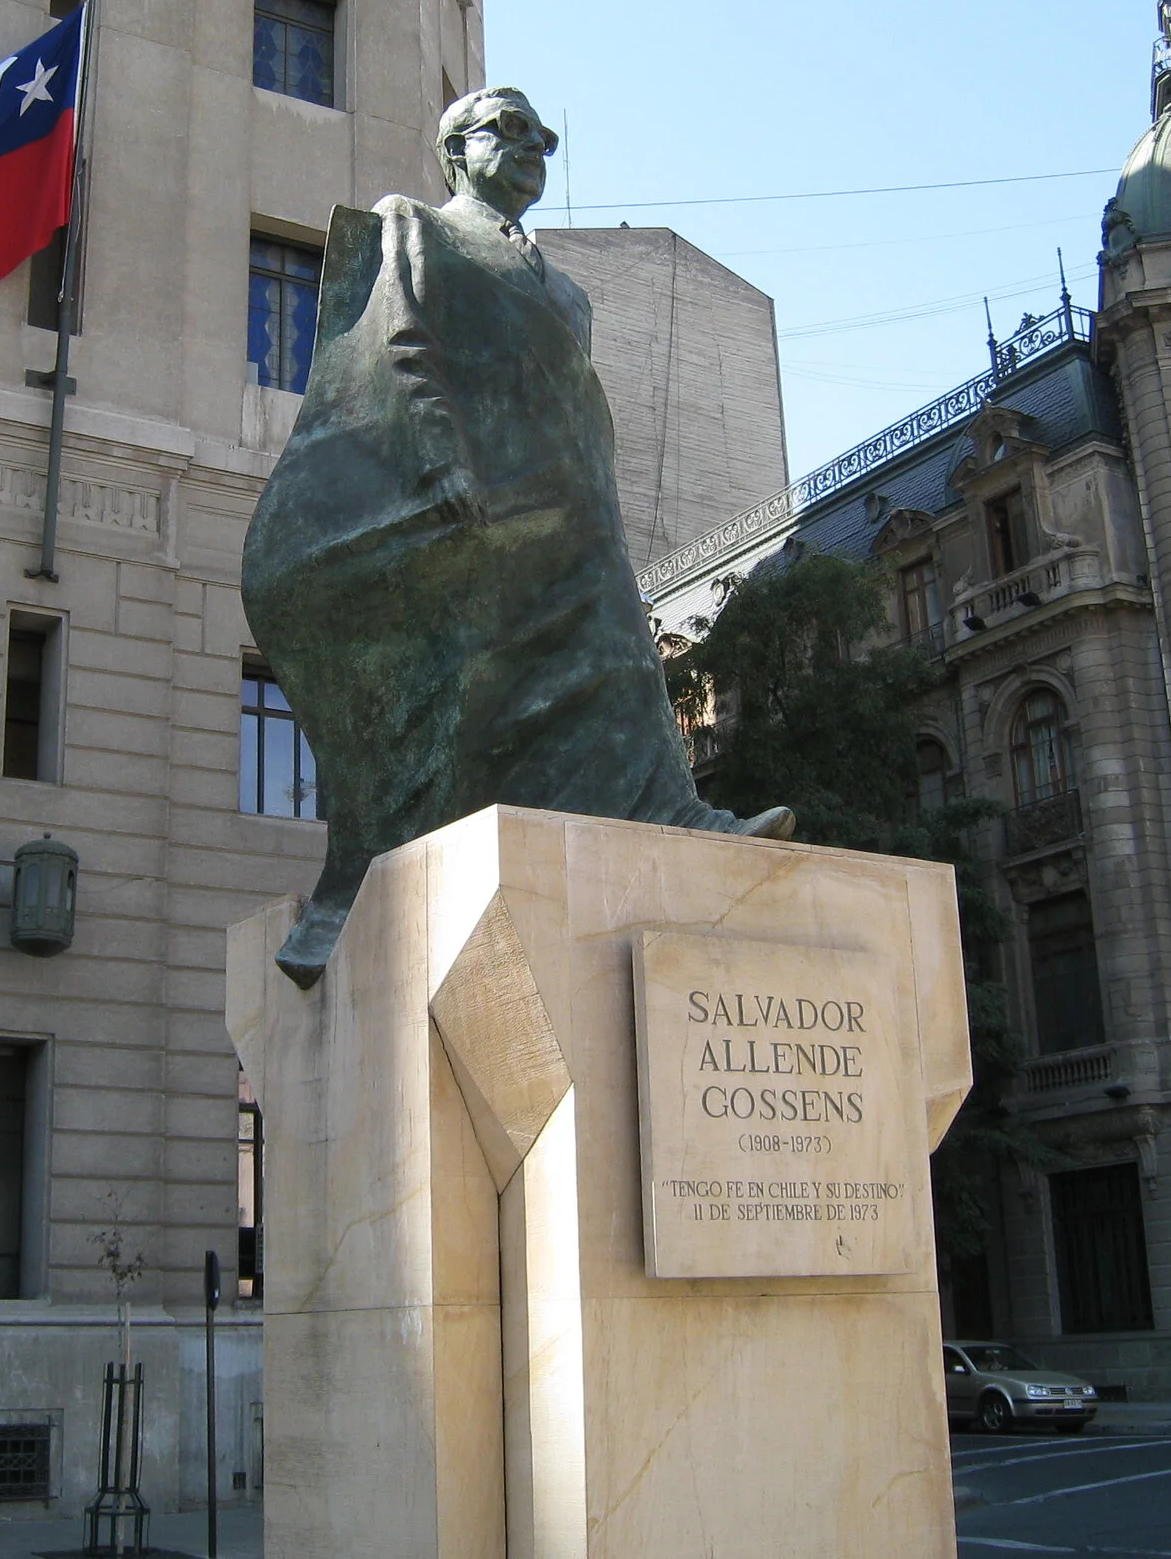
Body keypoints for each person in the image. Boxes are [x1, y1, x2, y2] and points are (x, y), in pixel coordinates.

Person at [242, 86, 792, 986]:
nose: (532, 147)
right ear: (454, 150)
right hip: (469, 498)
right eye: (507, 130)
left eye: (543, 136)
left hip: (568, 509)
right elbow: (398, 346)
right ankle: (367, 887)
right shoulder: (414, 225)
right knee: (461, 706)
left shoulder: (567, 289)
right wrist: (439, 459)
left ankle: (670, 807)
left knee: (620, 649)